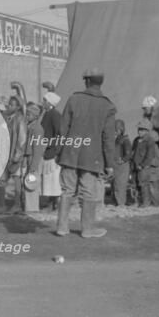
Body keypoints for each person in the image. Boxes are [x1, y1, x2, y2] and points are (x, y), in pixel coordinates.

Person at [55, 68, 115, 238]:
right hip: (92, 158)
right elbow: (108, 139)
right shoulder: (107, 105)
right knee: (89, 192)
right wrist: (109, 164)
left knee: (67, 190)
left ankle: (62, 227)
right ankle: (87, 229)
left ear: (87, 81)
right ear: (100, 82)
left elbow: (63, 129)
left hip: (70, 154)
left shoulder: (74, 99)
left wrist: (60, 152)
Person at [0, 95, 26, 214]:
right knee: (0, 179)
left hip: (13, 155)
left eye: (12, 105)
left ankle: (17, 205)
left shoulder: (19, 119)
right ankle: (1, 204)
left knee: (16, 180)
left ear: (18, 107)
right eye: (9, 104)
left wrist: (17, 156)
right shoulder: (7, 117)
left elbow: (22, 138)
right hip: (4, 153)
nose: (9, 106)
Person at [132, 119, 159, 207]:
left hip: (145, 168)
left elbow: (150, 156)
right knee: (138, 185)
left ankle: (147, 203)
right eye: (139, 129)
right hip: (138, 167)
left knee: (145, 186)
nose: (139, 131)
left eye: (142, 129)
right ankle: (140, 201)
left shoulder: (150, 141)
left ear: (147, 131)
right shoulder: (137, 140)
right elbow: (134, 152)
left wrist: (142, 165)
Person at [40, 91, 62, 212]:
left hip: (53, 152)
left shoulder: (54, 115)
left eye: (44, 100)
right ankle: (50, 201)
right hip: (47, 151)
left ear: (49, 103)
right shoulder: (47, 114)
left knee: (54, 178)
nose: (43, 103)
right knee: (48, 179)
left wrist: (57, 150)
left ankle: (56, 202)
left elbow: (60, 133)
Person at [24, 103, 45, 213]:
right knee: (28, 183)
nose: (27, 116)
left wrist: (34, 165)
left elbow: (37, 149)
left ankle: (32, 209)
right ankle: (29, 207)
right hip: (29, 158)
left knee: (32, 183)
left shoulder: (37, 129)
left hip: (33, 159)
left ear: (35, 116)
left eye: (29, 114)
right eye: (26, 114)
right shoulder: (30, 126)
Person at [112, 119, 132, 206]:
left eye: (116, 130)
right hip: (116, 165)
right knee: (115, 184)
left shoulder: (124, 140)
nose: (115, 132)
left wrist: (122, 160)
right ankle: (116, 202)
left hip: (122, 165)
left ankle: (121, 204)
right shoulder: (115, 140)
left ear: (120, 130)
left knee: (120, 185)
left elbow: (128, 154)